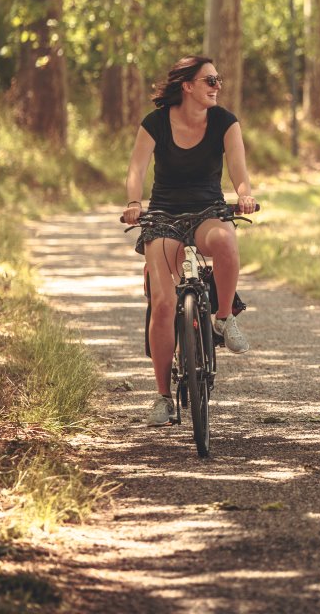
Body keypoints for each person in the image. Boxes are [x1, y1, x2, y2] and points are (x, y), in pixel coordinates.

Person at [122, 55, 256, 426]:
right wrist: (135, 202)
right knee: (164, 303)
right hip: (163, 215)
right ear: (188, 86)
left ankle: (223, 319)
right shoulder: (155, 124)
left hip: (207, 210)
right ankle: (163, 397)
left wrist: (244, 194)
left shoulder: (225, 123)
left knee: (227, 243)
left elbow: (239, 172)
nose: (217, 87)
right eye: (210, 81)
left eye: (218, 81)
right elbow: (136, 170)